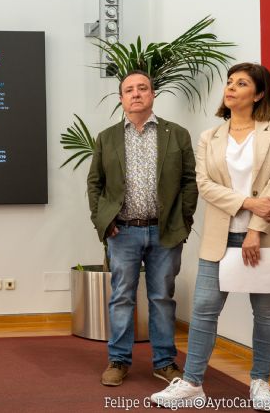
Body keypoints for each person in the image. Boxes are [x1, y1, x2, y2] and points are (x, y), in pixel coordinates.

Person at [151, 63, 270, 411]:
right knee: (202, 311)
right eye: (229, 82)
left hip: (265, 237)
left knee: (267, 313)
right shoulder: (209, 137)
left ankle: (260, 383)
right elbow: (205, 186)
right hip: (221, 235)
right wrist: (246, 201)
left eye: (241, 83)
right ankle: (192, 384)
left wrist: (255, 230)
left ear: (258, 94)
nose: (230, 87)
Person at [87, 70, 198, 386]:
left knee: (162, 297)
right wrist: (103, 222)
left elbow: (190, 182)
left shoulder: (176, 134)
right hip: (122, 232)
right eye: (129, 90)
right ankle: (118, 360)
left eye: (142, 88)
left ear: (152, 95)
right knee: (122, 297)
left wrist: (184, 222)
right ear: (122, 98)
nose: (136, 94)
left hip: (165, 232)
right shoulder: (107, 137)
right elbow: (95, 183)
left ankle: (164, 362)